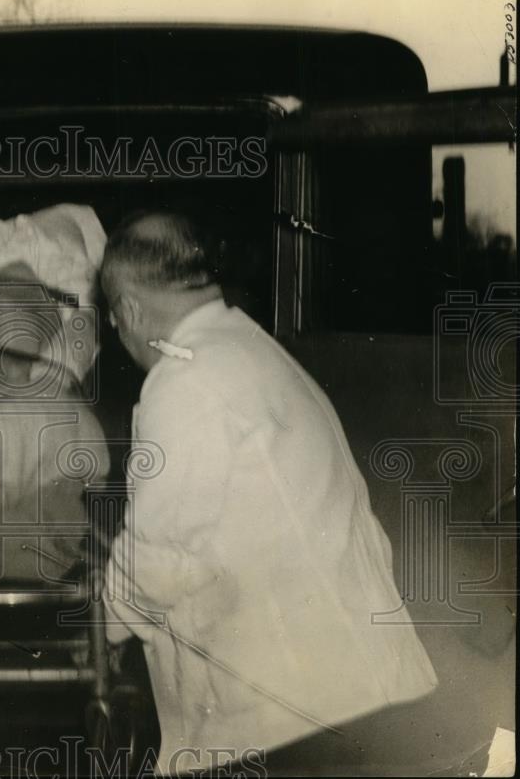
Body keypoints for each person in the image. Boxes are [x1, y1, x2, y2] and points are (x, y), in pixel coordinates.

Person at [100, 211, 438, 776]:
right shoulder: (253, 351)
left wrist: (100, 630)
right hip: (354, 696)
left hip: (300, 721)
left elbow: (154, 562)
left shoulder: (188, 381)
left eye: (115, 321)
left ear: (129, 311)